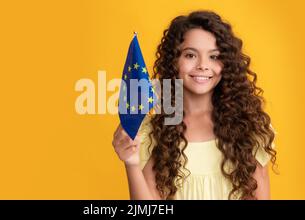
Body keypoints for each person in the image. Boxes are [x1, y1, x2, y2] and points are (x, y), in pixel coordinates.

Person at [112, 10, 277, 200]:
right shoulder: (153, 132)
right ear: (174, 61)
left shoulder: (250, 127)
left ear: (227, 64)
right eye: (190, 55)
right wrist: (131, 163)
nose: (202, 65)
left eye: (214, 56)